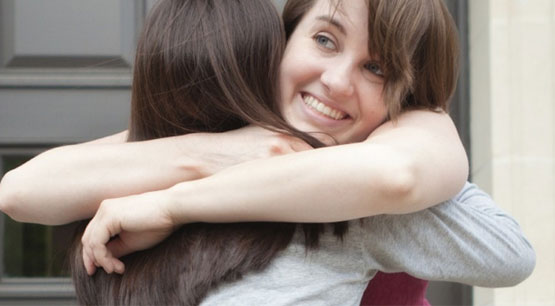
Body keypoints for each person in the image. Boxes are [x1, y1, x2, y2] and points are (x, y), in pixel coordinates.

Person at [0, 0, 534, 305]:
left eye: (378, 69)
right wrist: (218, 154)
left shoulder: (357, 197)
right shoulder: (213, 137)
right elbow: (22, 190)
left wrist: (428, 120)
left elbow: (408, 181)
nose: (336, 81)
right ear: (283, 40)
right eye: (325, 40)